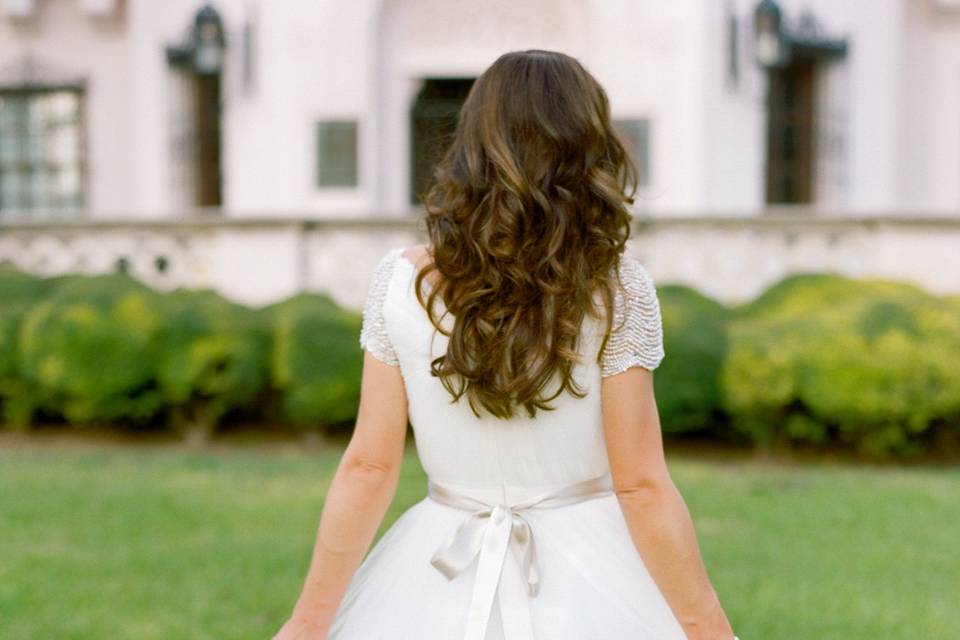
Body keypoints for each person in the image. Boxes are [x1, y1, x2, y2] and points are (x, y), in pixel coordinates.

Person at [273, 49, 738, 640]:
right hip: (591, 580)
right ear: (587, 148)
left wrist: (309, 623)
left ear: (472, 146)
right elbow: (640, 484)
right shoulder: (616, 291)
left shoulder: (399, 284)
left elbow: (369, 466)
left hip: (433, 574)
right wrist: (710, 628)